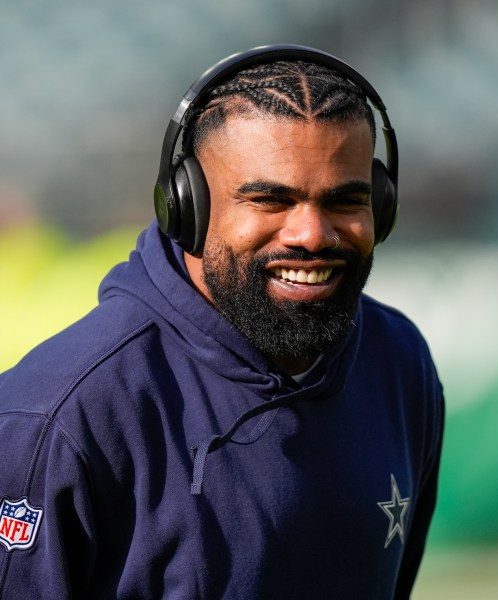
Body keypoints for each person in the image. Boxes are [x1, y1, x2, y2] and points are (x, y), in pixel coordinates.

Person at [0, 45, 444, 599]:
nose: (311, 234)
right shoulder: (57, 416)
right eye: (270, 200)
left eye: (344, 200)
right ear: (187, 207)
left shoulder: (397, 359)